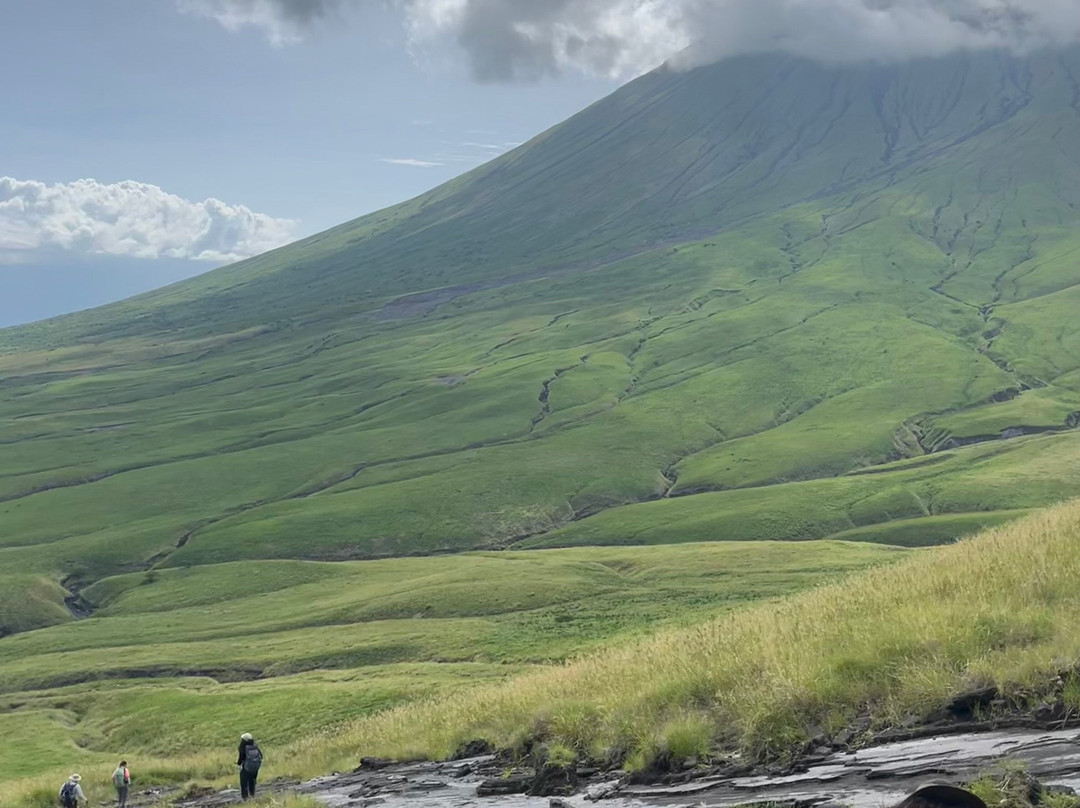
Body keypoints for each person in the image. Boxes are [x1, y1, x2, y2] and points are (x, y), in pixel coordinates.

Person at [237, 732, 263, 800]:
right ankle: (252, 795)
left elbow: (241, 759)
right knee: (252, 781)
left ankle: (245, 798)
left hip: (246, 769)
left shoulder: (243, 748)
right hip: (255, 768)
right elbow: (261, 756)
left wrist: (238, 763)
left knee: (244, 783)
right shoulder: (255, 746)